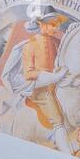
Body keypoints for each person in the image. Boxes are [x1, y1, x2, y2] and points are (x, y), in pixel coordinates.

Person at [20, 11, 70, 151]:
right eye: (53, 25)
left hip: (58, 85)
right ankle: (69, 154)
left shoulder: (57, 43)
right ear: (42, 24)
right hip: (42, 89)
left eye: (57, 26)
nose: (56, 29)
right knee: (58, 121)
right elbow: (28, 74)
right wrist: (51, 76)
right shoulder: (30, 45)